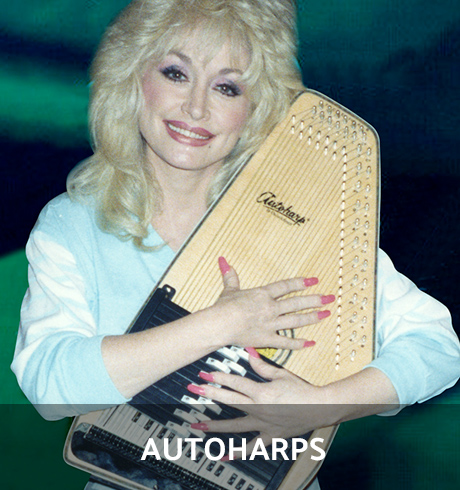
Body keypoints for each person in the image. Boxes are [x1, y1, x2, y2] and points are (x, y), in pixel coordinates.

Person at [11, 1, 460, 489]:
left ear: (254, 108)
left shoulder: (301, 220)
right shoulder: (74, 222)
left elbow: (437, 347)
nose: (197, 108)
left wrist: (317, 404)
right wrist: (220, 324)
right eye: (176, 73)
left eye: (227, 86)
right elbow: (49, 387)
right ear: (133, 77)